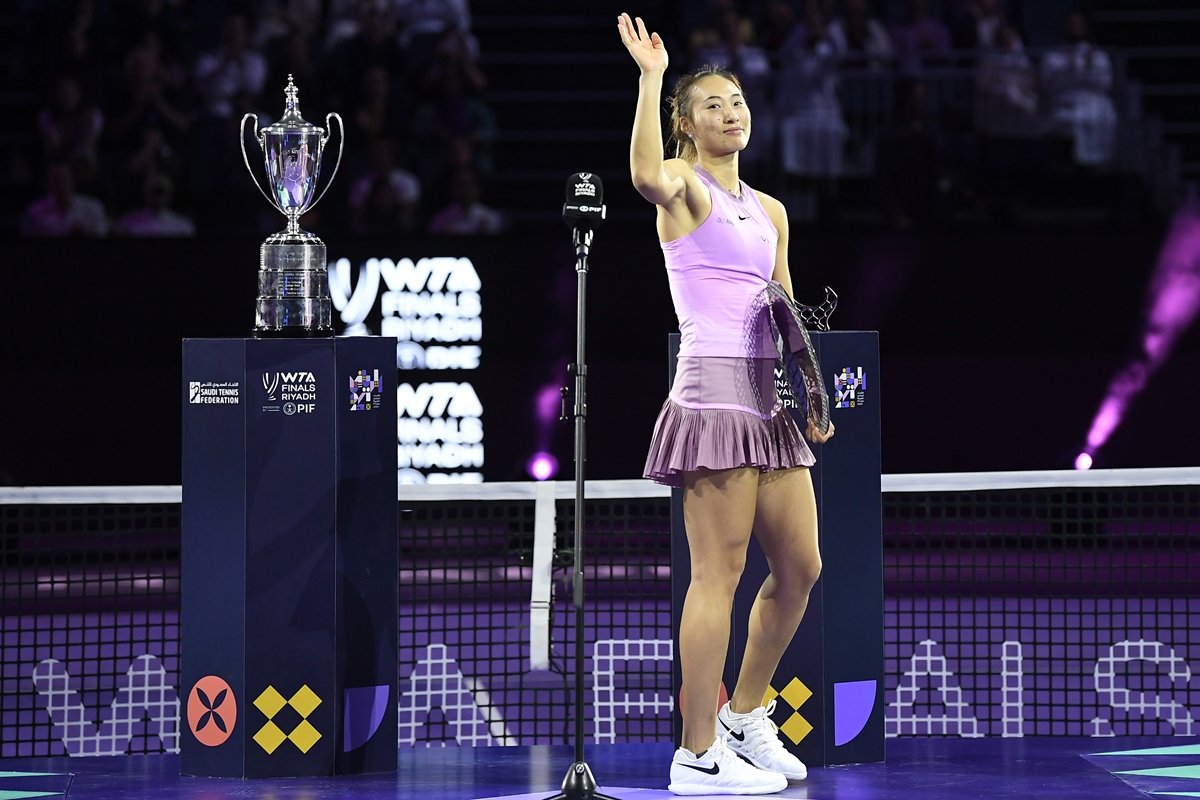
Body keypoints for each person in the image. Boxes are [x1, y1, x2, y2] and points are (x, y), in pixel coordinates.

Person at [618, 12, 834, 796]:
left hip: (769, 405)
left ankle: (745, 715)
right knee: (719, 574)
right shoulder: (681, 190)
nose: (730, 112)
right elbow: (643, 172)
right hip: (711, 395)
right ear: (686, 122)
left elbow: (782, 301)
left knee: (802, 567)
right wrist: (651, 76)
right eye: (711, 103)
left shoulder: (769, 210)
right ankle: (696, 752)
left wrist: (809, 389)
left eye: (737, 100)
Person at [1040, 12, 1116, 166]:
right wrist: (1069, 70)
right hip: (1066, 102)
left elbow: (1105, 83)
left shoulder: (1097, 56)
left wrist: (1088, 69)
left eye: (1078, 25)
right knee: (1071, 120)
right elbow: (1048, 85)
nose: (1074, 29)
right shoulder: (1053, 57)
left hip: (1093, 102)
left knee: (1104, 117)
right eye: (1071, 25)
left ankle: (1099, 164)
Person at [21, 161, 109, 238]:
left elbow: (102, 233)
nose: (61, 184)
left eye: (64, 179)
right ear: (48, 183)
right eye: (56, 180)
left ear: (73, 181)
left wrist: (85, 232)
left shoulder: (92, 207)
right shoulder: (35, 211)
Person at [114, 172, 195, 236]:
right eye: (154, 191)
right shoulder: (128, 224)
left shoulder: (182, 227)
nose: (158, 196)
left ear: (169, 195)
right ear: (145, 194)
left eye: (161, 192)